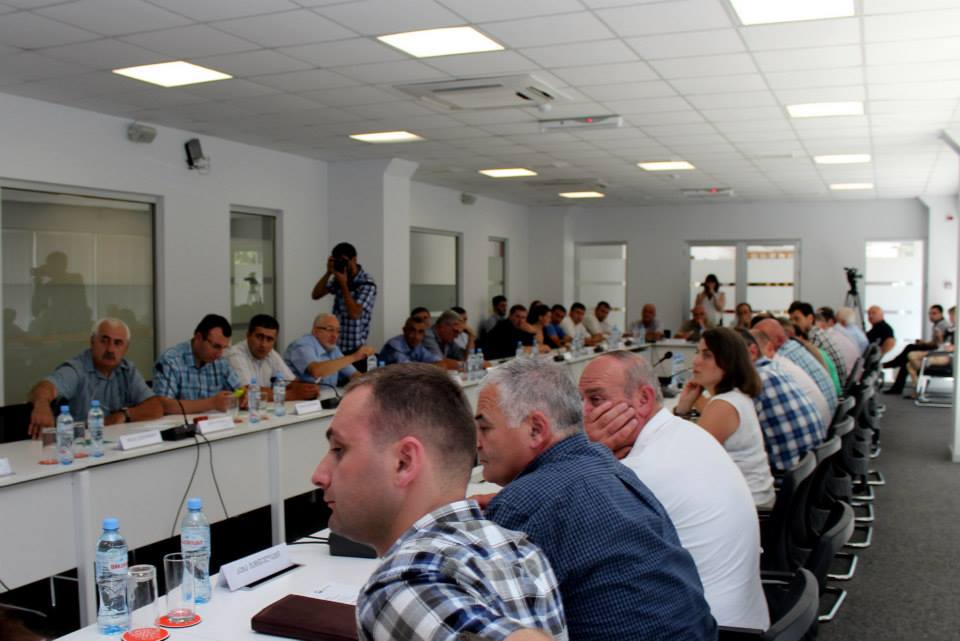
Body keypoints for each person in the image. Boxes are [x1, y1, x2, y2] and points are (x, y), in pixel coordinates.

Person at [311, 364, 568, 641]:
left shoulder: (402, 586)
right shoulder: (522, 551)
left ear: (403, 462)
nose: (319, 475)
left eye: (339, 449)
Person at [476, 359, 716, 641]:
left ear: (536, 429)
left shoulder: (523, 504)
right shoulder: (611, 467)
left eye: (485, 428)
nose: (477, 442)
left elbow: (483, 624)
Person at [578, 351, 768, 630]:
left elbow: (565, 529)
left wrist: (589, 452)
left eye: (596, 399)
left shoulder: (641, 469)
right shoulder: (685, 432)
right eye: (580, 400)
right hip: (741, 618)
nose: (582, 413)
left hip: (711, 630)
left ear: (643, 399)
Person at [674, 328, 775, 508]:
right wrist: (685, 407)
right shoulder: (735, 396)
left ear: (728, 363)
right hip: (749, 498)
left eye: (707, 355)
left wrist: (680, 412)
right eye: (698, 352)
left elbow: (683, 460)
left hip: (747, 507)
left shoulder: (724, 406)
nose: (696, 361)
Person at [27, 318, 162, 437]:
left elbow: (155, 407)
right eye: (104, 341)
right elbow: (45, 387)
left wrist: (123, 415)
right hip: (76, 446)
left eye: (117, 343)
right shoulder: (77, 369)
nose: (110, 349)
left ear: (126, 348)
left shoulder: (127, 370)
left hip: (114, 444)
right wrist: (41, 404)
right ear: (92, 342)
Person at [736, 329, 824, 471]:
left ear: (752, 352)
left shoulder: (752, 383)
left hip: (786, 476)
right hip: (811, 470)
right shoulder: (774, 369)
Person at [153, 314, 242, 415]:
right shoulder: (170, 360)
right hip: (181, 424)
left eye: (224, 348)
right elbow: (163, 405)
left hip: (215, 423)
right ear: (198, 337)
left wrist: (243, 396)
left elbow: (238, 390)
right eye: (216, 346)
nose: (219, 354)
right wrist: (212, 403)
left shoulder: (220, 361)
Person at [310, 242, 377, 369]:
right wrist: (328, 273)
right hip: (335, 349)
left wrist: (343, 285)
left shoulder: (366, 283)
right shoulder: (338, 278)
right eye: (339, 261)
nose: (343, 265)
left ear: (354, 259)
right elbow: (316, 295)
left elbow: (354, 314)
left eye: (345, 261)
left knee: (354, 380)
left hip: (356, 352)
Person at [755, 318, 838, 416]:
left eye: (761, 340)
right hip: (831, 413)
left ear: (779, 340)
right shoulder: (795, 347)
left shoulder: (780, 358)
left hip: (822, 417)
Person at [226, 314, 319, 401]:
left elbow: (292, 383)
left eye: (269, 339)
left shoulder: (271, 354)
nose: (263, 344)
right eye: (259, 337)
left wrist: (308, 389)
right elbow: (248, 391)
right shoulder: (235, 354)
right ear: (248, 335)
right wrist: (292, 395)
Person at [283, 314, 375, 388]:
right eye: (330, 329)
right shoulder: (302, 345)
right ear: (315, 331)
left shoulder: (333, 349)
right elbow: (316, 371)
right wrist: (354, 356)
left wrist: (373, 381)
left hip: (326, 399)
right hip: (298, 401)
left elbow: (353, 375)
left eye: (338, 331)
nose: (335, 335)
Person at [883, 304, 951, 395]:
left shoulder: (943, 325)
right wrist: (924, 343)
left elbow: (940, 345)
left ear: (941, 314)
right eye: (930, 314)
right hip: (935, 349)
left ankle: (894, 364)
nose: (931, 316)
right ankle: (897, 377)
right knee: (907, 359)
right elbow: (935, 343)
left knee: (910, 349)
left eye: (934, 313)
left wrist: (935, 340)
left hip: (939, 353)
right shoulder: (937, 325)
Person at [789, 301, 848, 384]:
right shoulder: (817, 332)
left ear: (810, 318)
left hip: (837, 385)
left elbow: (809, 366)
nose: (793, 323)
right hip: (839, 382)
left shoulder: (814, 337)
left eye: (797, 319)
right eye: (791, 320)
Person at [816, 307, 860, 375]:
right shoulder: (839, 331)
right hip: (853, 374)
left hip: (847, 375)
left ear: (830, 322)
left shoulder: (827, 336)